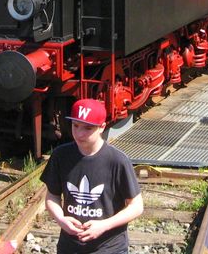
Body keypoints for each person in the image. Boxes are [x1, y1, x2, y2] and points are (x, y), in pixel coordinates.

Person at [41, 98, 143, 253]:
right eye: (75, 126)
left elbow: (136, 206)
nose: (79, 134)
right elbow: (52, 196)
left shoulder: (117, 161)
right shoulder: (60, 155)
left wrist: (104, 225)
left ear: (102, 127)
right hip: (70, 247)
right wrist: (61, 219)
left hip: (109, 248)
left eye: (88, 128)